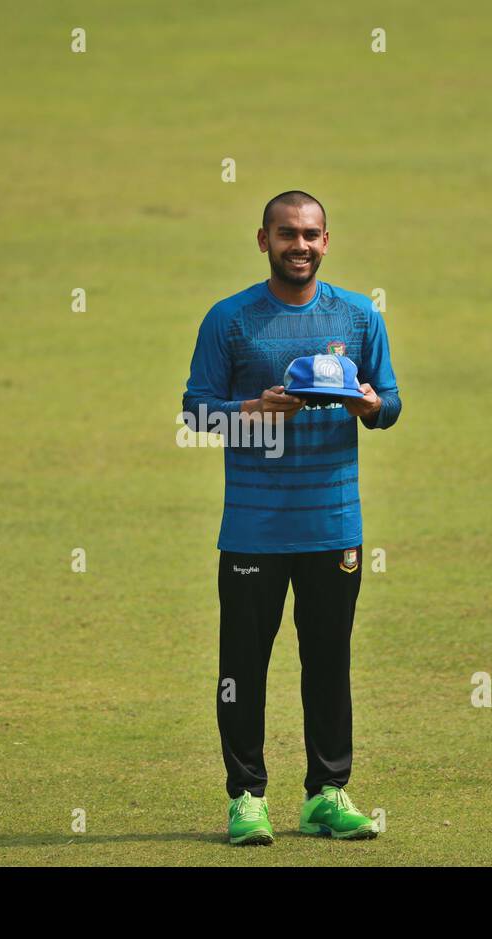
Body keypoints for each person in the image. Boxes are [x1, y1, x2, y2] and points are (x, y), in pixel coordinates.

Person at [181, 190, 403, 845]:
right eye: (286, 234)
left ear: (326, 241)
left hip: (334, 525)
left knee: (328, 662)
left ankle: (327, 795)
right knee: (242, 669)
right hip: (254, 530)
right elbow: (194, 411)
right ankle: (246, 798)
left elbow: (389, 402)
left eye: (310, 234)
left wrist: (368, 405)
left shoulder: (359, 316)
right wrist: (253, 411)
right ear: (263, 241)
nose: (298, 245)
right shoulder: (231, 320)